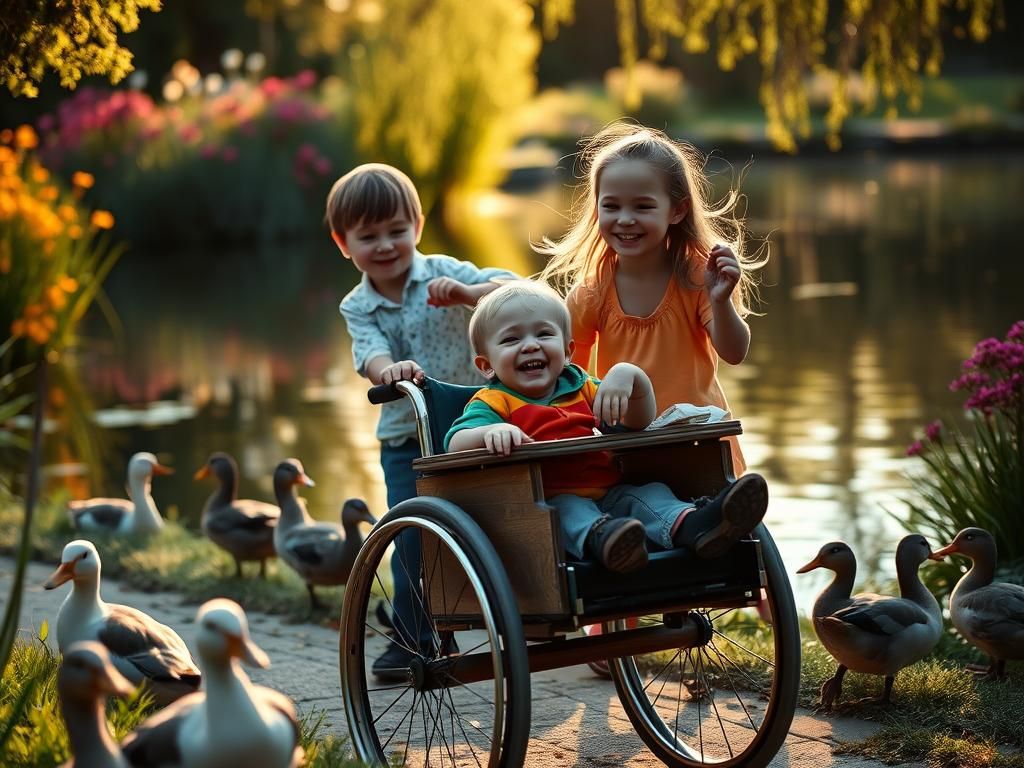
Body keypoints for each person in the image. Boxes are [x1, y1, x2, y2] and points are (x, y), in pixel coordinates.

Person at [328, 163, 517, 680]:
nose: (386, 245)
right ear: (344, 243)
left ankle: (488, 615)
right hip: (405, 437)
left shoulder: (442, 271)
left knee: (494, 517)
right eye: (369, 237)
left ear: (417, 223)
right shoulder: (358, 305)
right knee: (413, 534)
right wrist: (388, 370)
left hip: (472, 423)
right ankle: (412, 637)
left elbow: (515, 290)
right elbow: (368, 353)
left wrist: (465, 295)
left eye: (397, 230)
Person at [444, 280, 768, 572]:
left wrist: (632, 377)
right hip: (546, 501)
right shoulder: (494, 402)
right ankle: (608, 541)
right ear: (486, 365)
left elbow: (637, 421)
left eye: (543, 334)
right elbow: (455, 442)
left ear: (568, 350)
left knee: (650, 493)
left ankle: (693, 525)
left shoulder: (581, 385)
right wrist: (490, 433)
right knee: (568, 511)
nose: (530, 345)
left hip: (610, 493)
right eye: (512, 339)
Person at [539, 121, 768, 475]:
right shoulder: (591, 292)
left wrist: (721, 301)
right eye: (611, 206)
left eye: (643, 207)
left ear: (676, 211)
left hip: (699, 443)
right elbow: (571, 377)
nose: (625, 220)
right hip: (630, 449)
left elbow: (735, 352)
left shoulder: (696, 276)